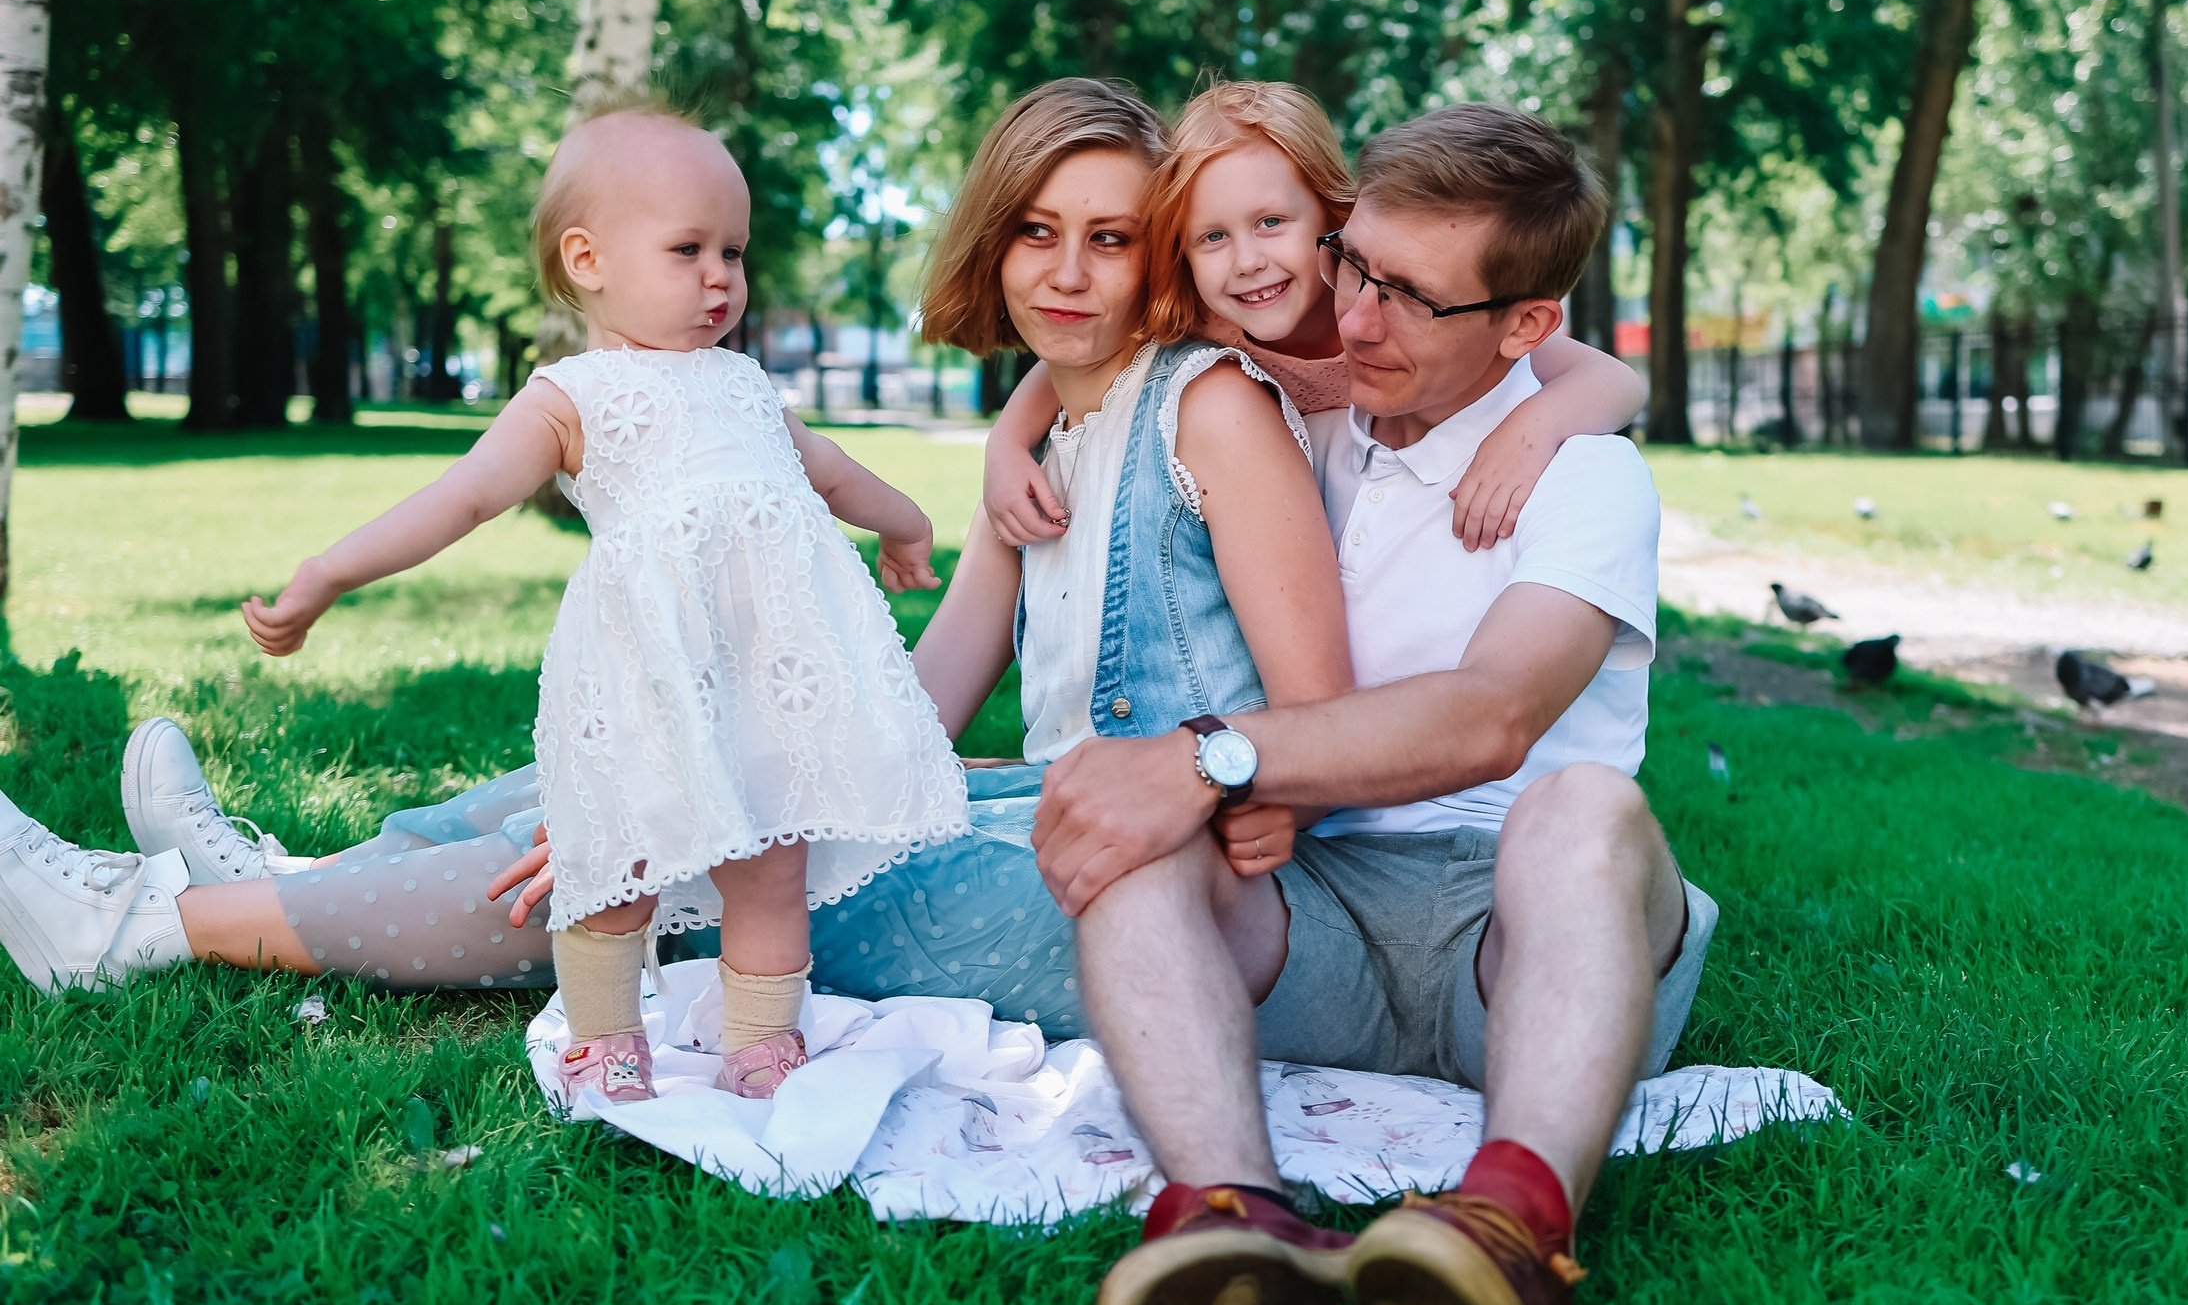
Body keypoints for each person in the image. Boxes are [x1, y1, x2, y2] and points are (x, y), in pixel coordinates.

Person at [0, 79, 1343, 1058]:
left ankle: (150, 926)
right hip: (1051, 807)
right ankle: (270, 872)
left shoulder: (1200, 410)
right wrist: (722, 745)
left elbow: (1318, 726)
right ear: (992, 239)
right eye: (1036, 230)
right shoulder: (1054, 424)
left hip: (1152, 868)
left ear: (1158, 252)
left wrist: (696, 788)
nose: (1067, 270)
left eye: (1110, 237)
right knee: (612, 773)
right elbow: (914, 708)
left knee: (646, 842)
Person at [1031, 101, 1714, 1305]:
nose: (1354, 318)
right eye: (1356, 263)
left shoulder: (1585, 480)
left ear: (1525, 327)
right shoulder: (1312, 420)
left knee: (1581, 806)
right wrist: (1017, 435)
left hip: (1525, 935)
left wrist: (1212, 753)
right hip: (1329, 913)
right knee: (1137, 831)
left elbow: (1490, 714)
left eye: (1410, 295)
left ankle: (1509, 1230)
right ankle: (1236, 1220)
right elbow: (1108, 329)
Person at [237, 101, 969, 1102]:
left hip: (770, 675)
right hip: (645, 671)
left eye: (734, 252)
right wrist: (327, 573)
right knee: (619, 857)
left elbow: (829, 472)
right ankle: (608, 1037)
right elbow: (462, 499)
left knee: (774, 860)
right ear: (588, 260)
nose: (720, 276)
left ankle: (761, 1042)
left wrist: (904, 522)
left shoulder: (746, 385)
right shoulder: (570, 396)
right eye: (688, 249)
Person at [980, 81, 1644, 555]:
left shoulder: (1377, 304)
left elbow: (1616, 380)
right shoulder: (1212, 326)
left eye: (1271, 223)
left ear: (1331, 216)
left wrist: (1533, 428)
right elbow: (1072, 360)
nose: (1246, 262)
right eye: (1212, 237)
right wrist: (1007, 444)